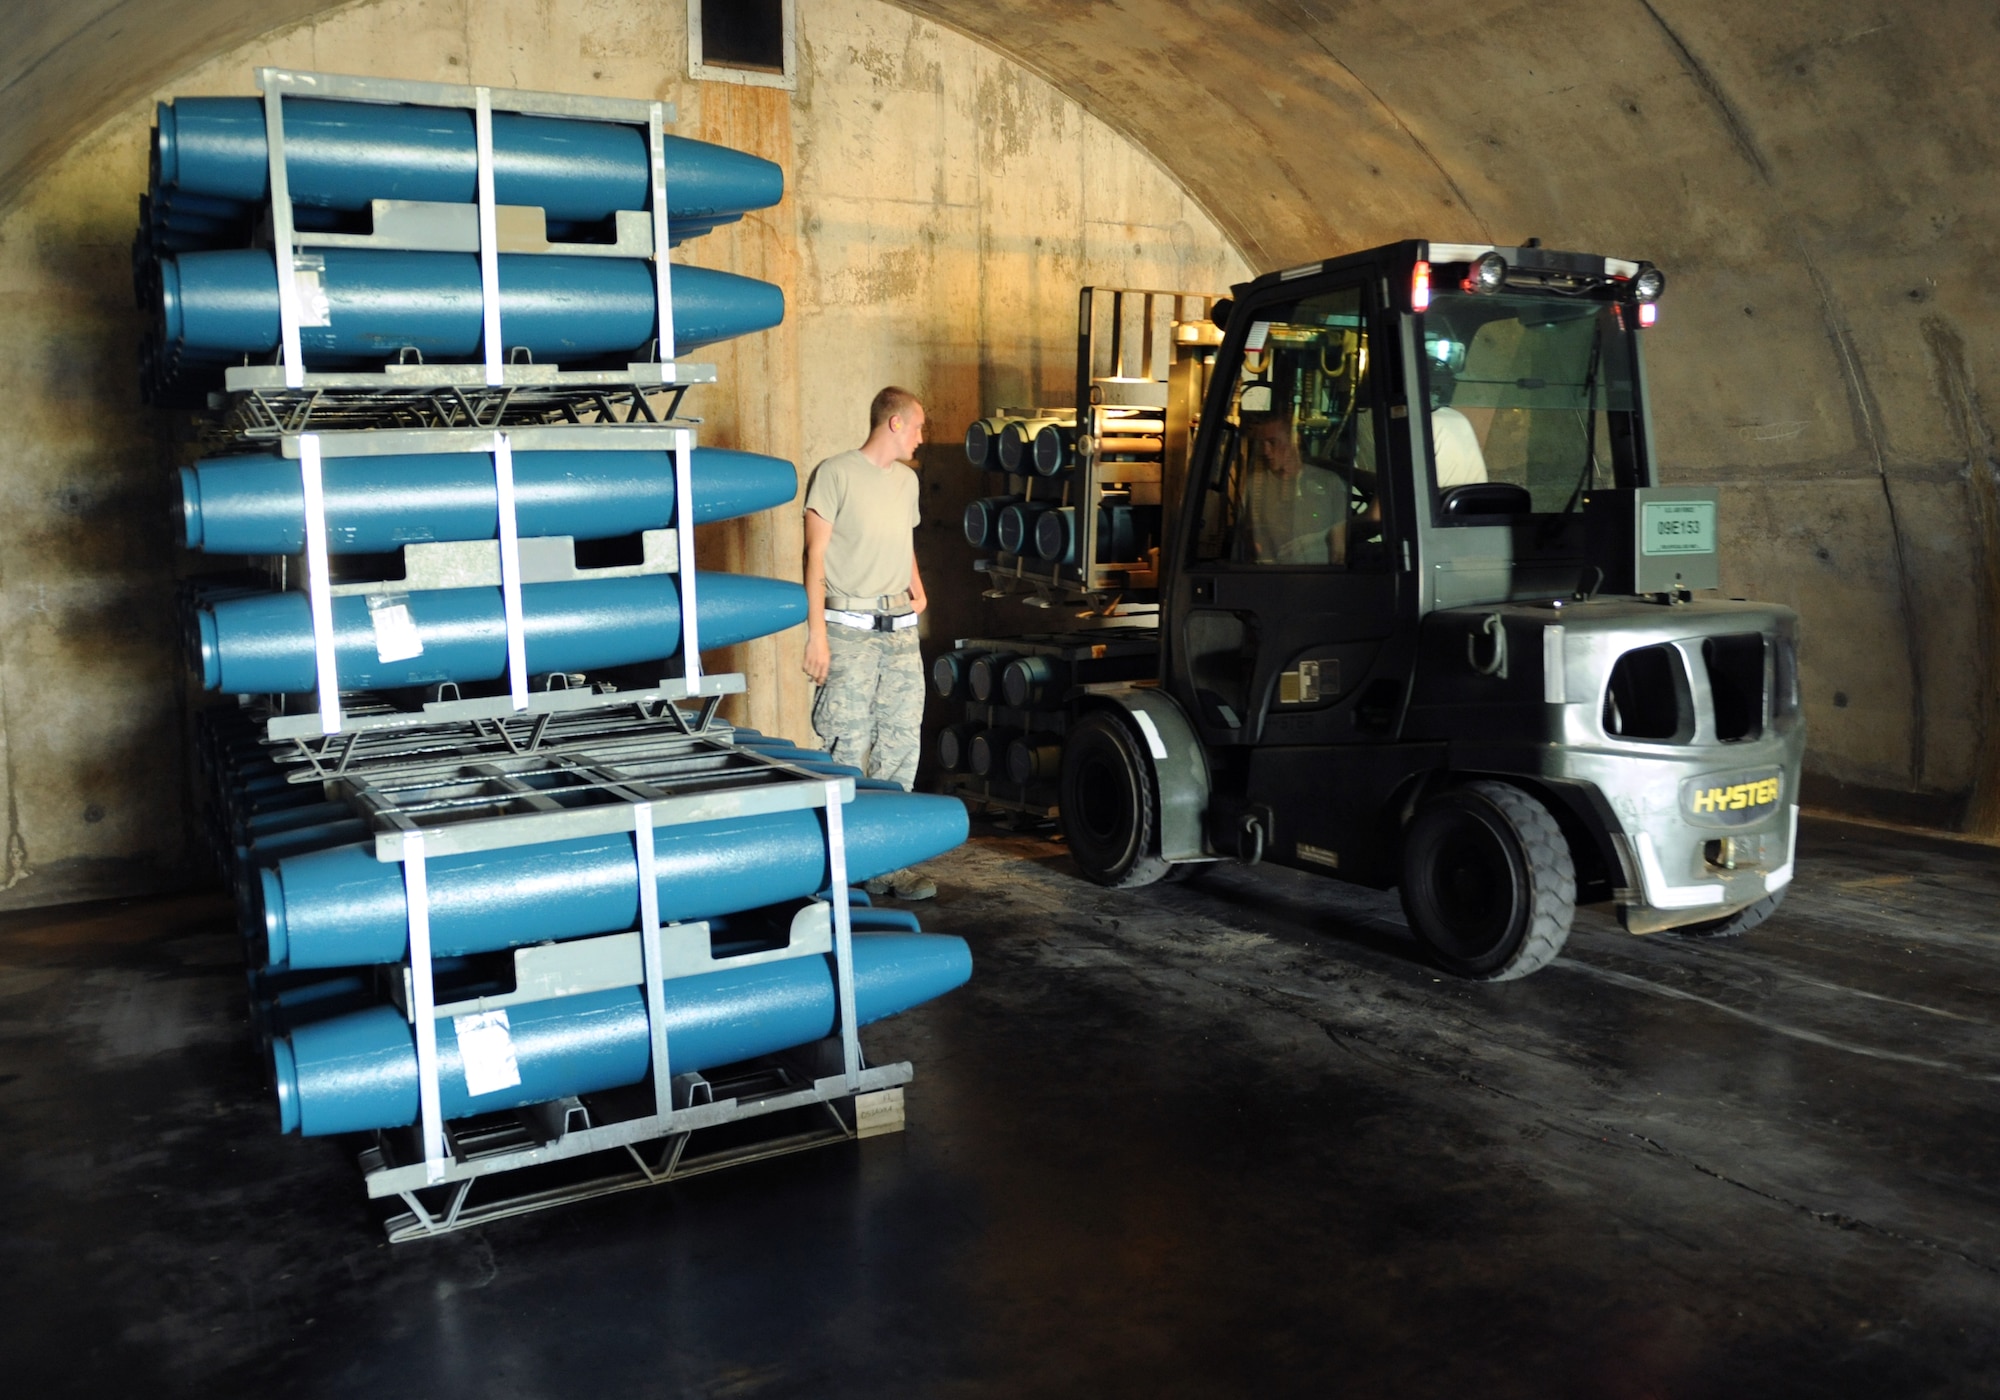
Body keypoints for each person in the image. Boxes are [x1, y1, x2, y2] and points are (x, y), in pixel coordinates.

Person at [801, 386, 936, 900]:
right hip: (848, 632)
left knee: (902, 747)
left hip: (900, 633)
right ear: (895, 423)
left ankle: (887, 865)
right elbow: (814, 558)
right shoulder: (834, 474)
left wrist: (916, 583)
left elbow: (904, 539)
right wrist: (816, 636)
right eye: (918, 427)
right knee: (844, 748)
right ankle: (840, 867)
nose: (922, 438)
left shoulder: (907, 482)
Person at [1238, 414, 1350, 565]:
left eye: (1272, 442)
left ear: (1294, 439)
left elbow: (1339, 550)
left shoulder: (1329, 483)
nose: (1266, 451)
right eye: (1262, 444)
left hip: (1317, 579)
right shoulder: (1254, 486)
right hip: (1268, 580)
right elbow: (1245, 541)